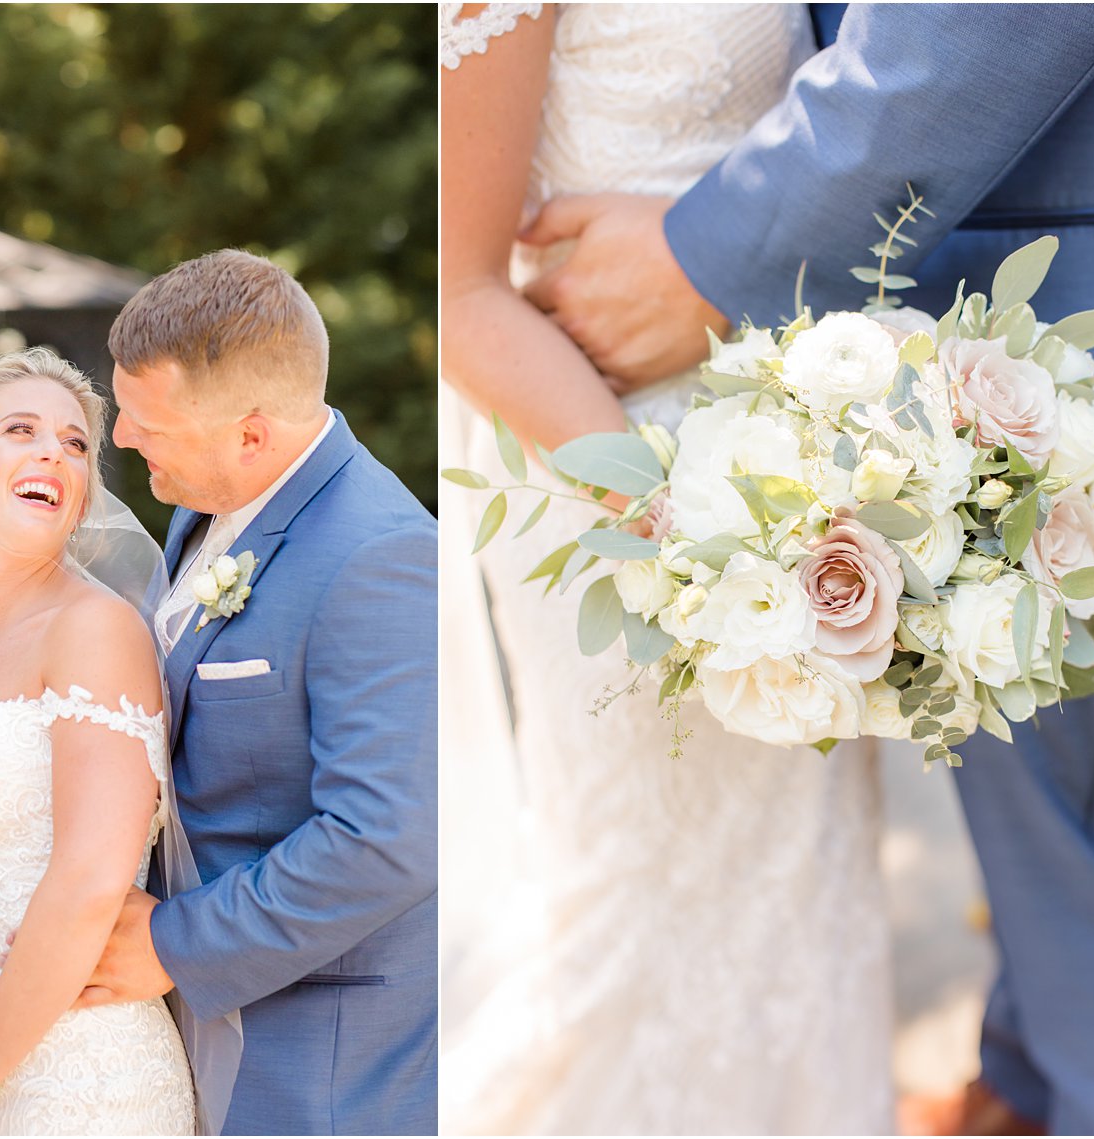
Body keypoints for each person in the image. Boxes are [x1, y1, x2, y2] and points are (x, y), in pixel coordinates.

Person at [514, 4, 1094, 1134]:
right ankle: (1024, 1091)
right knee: (1070, 839)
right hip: (1009, 281)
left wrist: (715, 256)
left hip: (1077, 304)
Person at [439, 6, 892, 1133]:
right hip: (613, 481)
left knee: (798, 886)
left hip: (789, 472)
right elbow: (461, 297)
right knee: (636, 910)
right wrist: (674, 522)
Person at [80, 249, 439, 1136]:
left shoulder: (381, 556)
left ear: (251, 434)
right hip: (188, 1039)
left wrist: (173, 942)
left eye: (146, 422)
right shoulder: (203, 502)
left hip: (317, 1062)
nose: (121, 439)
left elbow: (387, 837)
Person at [0, 347, 239, 1134]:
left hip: (76, 1077)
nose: (51, 452)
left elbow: (90, 878)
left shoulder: (96, 630)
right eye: (21, 429)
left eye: (73, 443)